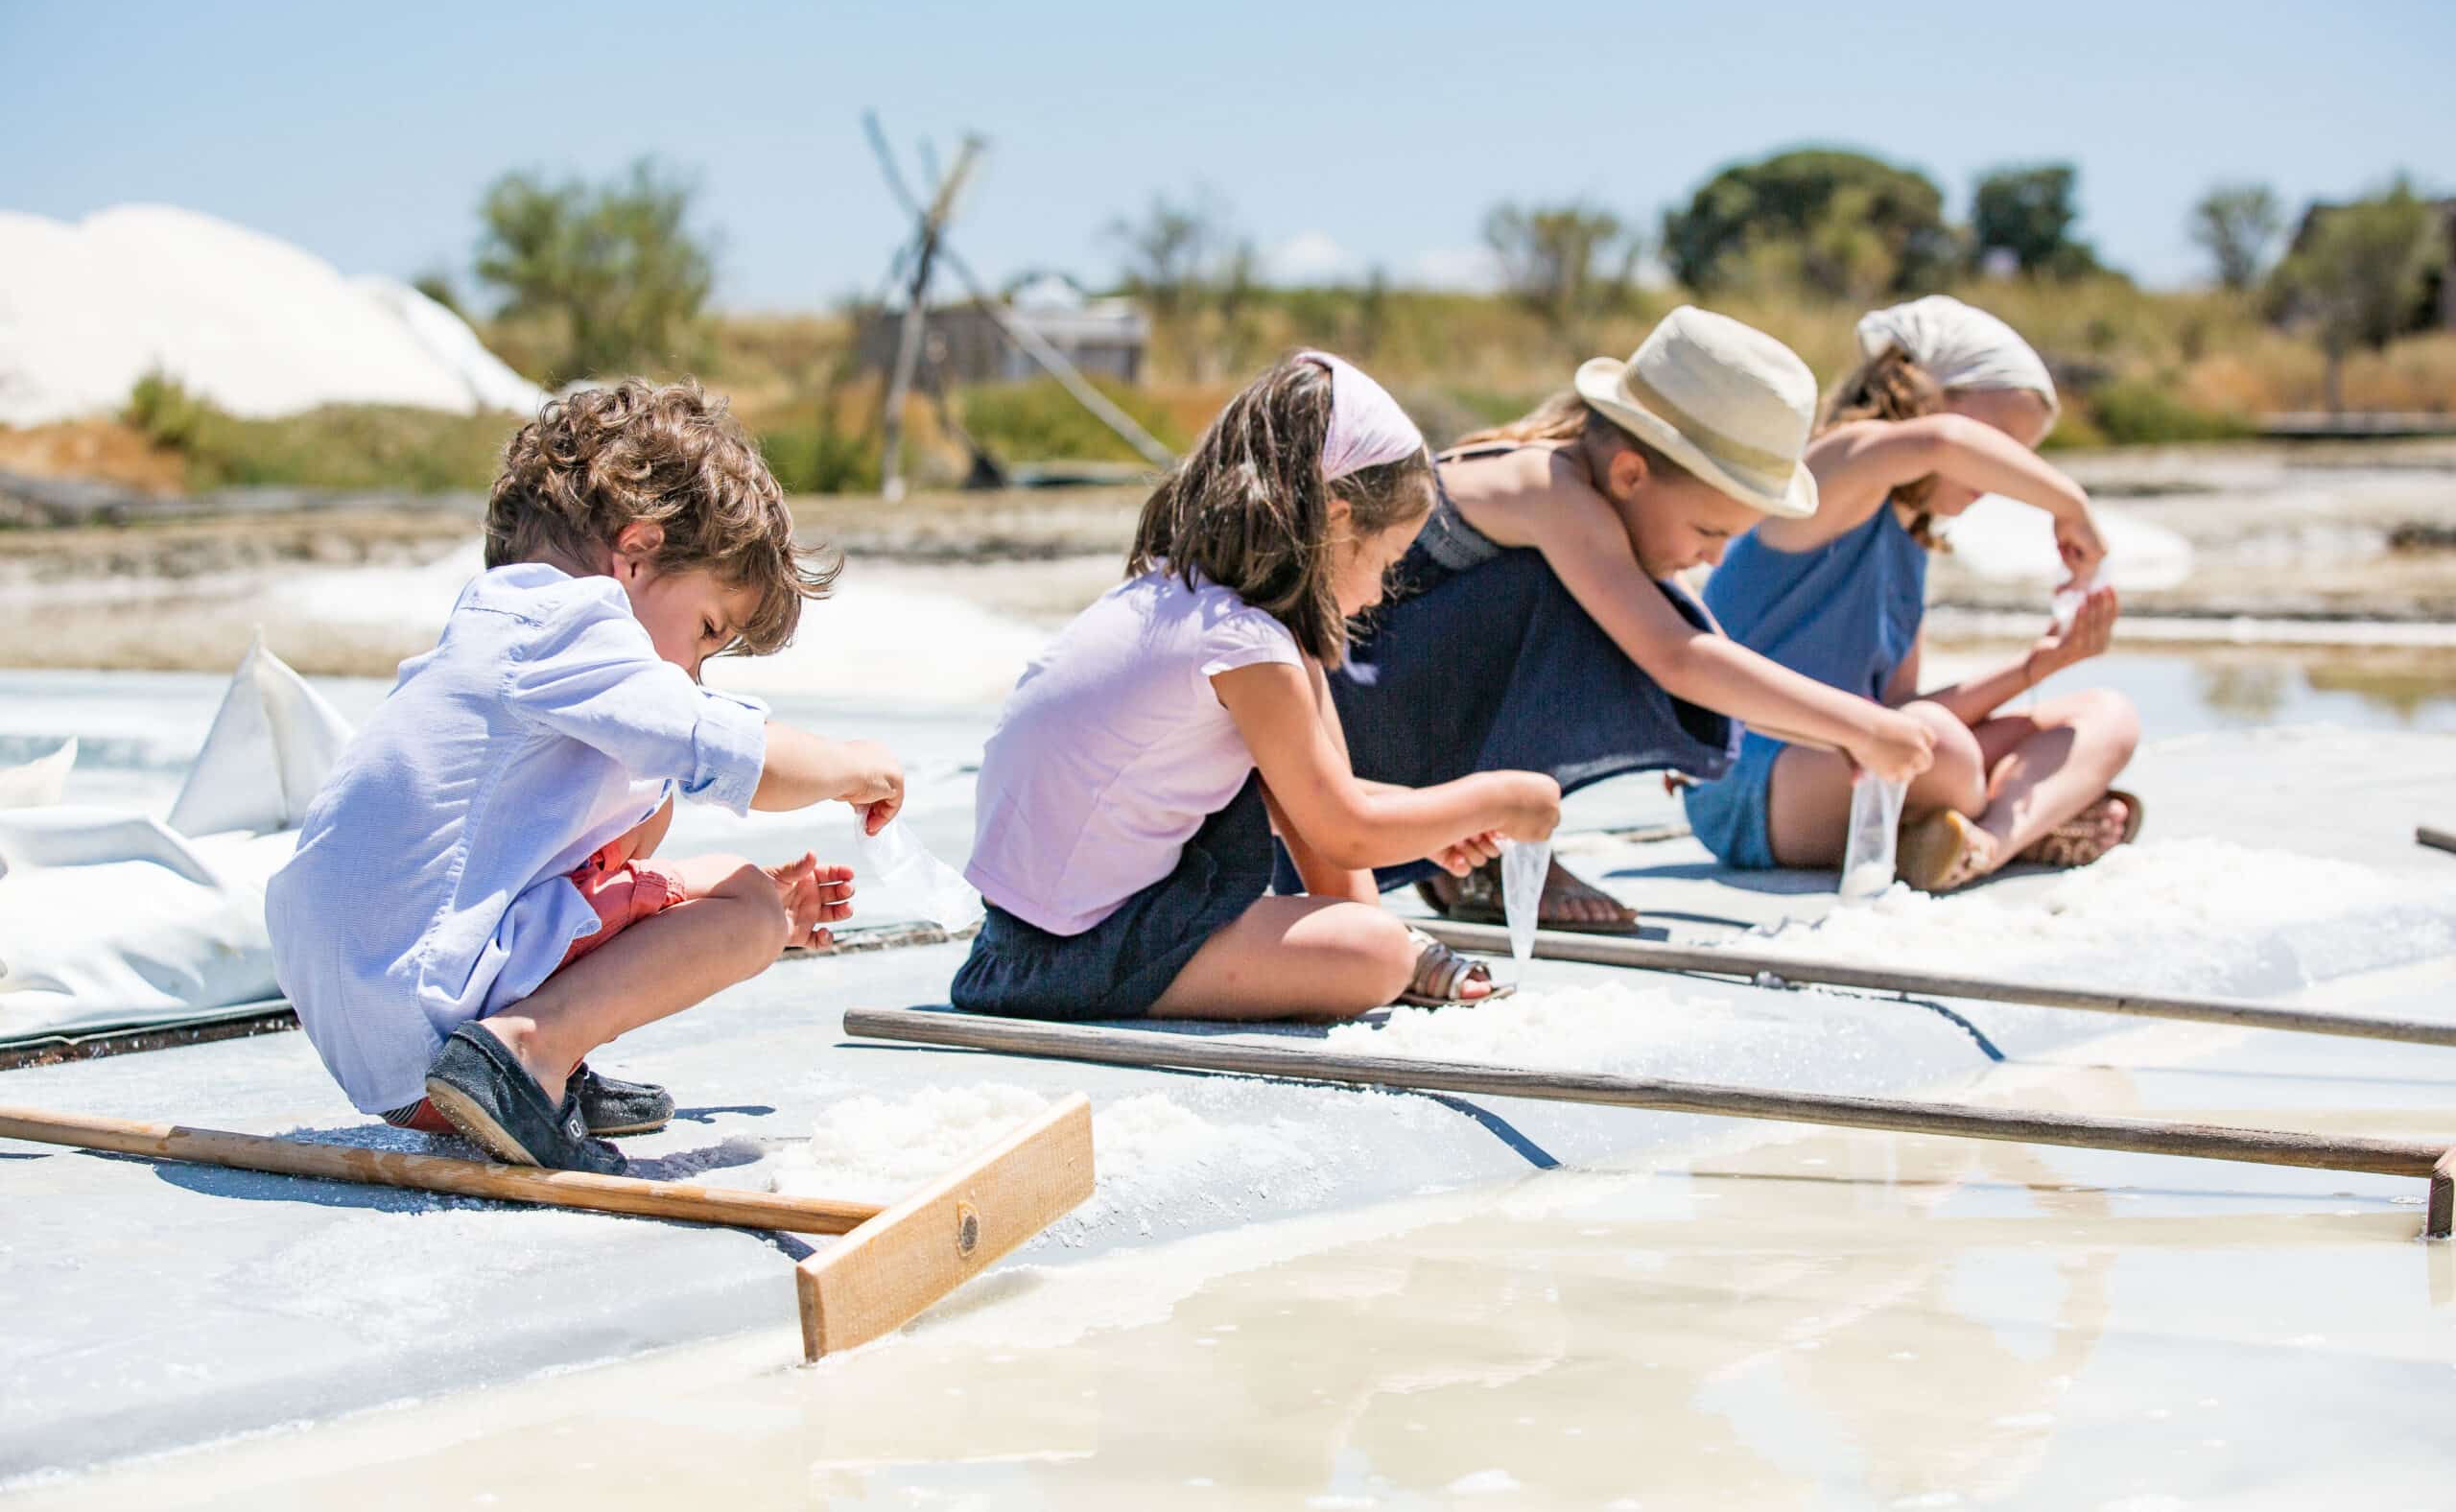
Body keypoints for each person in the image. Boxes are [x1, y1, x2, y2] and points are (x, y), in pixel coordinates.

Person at [266, 379, 905, 1172]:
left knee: (680, 826)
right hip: (419, 1008)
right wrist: (851, 768)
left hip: (365, 1006)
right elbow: (724, 749)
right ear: (635, 554)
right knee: (748, 916)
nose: (694, 670)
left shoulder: (497, 622)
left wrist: (710, 899)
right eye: (708, 631)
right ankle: (528, 1050)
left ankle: (546, 1060)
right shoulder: (571, 622)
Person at [955, 350, 1562, 1024]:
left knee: (1304, 661)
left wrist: (1432, 821)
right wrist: (1499, 796)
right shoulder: (1247, 647)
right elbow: (1343, 831)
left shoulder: (1182, 596)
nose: (1379, 591)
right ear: (1334, 522)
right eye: (1386, 561)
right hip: (1075, 953)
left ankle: (1372, 929)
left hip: (1021, 939)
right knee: (1375, 955)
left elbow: (1308, 791)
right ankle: (1383, 942)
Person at [1298, 307, 1934, 933]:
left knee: (1648, 613)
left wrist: (1842, 738)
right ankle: (1488, 851)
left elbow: (1700, 651)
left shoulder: (1597, 504)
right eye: (1709, 531)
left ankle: (1472, 844)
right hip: (1342, 724)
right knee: (1585, 607)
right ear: (1630, 472)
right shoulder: (1549, 488)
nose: (1714, 556)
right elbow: (1679, 658)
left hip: (1391, 713)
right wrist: (1865, 723)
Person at [1684, 295, 2141, 892]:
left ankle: (1986, 842)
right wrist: (2069, 504)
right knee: (1943, 747)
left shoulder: (1910, 546)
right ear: (1925, 397)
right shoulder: (1830, 473)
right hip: (1754, 791)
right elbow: (1941, 443)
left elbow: (1900, 709)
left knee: (2106, 715)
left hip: (1861, 765)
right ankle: (2025, 817)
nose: (2005, 473)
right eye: (2000, 443)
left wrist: (2041, 665)